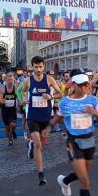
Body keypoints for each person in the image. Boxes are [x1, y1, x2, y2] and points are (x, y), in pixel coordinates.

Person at [45, 68, 98, 196]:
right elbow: (59, 116)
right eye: (82, 84)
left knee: (83, 175)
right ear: (74, 85)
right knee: (85, 182)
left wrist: (95, 113)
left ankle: (65, 181)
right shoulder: (66, 102)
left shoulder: (93, 100)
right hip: (73, 143)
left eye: (87, 83)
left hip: (89, 142)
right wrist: (49, 126)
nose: (87, 86)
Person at [22, 56, 61, 186]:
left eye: (40, 67)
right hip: (33, 115)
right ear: (32, 67)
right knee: (39, 144)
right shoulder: (28, 80)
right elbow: (22, 92)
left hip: (45, 116)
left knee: (41, 142)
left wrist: (50, 96)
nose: (38, 69)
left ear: (44, 66)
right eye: (36, 67)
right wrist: (23, 99)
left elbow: (60, 93)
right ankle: (41, 174)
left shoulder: (49, 79)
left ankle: (32, 144)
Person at [0, 72, 18, 146]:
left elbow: (20, 97)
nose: (10, 81)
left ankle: (13, 131)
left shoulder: (16, 88)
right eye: (9, 79)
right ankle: (10, 140)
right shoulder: (3, 89)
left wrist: (20, 104)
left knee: (13, 125)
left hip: (12, 109)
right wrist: (1, 101)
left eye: (11, 79)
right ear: (6, 80)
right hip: (5, 110)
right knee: (7, 127)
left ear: (14, 80)